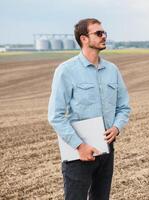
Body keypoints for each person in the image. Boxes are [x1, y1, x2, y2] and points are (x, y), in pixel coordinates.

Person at [48, 18, 131, 200]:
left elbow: (124, 107)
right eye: (98, 33)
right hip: (78, 153)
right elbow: (55, 115)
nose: (104, 37)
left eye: (104, 33)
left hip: (106, 150)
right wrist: (80, 146)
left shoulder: (112, 70)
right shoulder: (66, 70)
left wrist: (117, 127)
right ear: (84, 39)